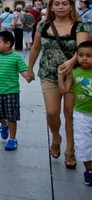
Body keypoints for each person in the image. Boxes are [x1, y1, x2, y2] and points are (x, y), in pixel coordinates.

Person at [27, 0, 90, 169]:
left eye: (64, 3)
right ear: (51, 7)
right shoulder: (43, 25)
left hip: (73, 75)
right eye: (57, 4)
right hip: (48, 73)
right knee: (52, 111)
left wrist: (70, 63)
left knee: (70, 113)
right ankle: (56, 137)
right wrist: (30, 69)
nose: (61, 6)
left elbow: (82, 50)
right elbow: (35, 47)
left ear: (71, 6)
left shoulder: (79, 26)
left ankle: (70, 150)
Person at [0, 31, 30, 151]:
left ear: (8, 44)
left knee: (12, 116)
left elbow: (24, 71)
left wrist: (28, 76)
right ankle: (4, 124)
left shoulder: (16, 57)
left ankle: (12, 139)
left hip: (12, 91)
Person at [58, 41, 92, 186]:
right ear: (76, 57)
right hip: (81, 115)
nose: (84, 58)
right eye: (81, 55)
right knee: (83, 143)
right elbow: (64, 90)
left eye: (89, 56)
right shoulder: (75, 72)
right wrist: (60, 76)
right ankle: (89, 171)